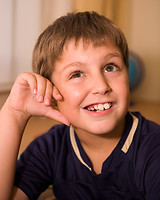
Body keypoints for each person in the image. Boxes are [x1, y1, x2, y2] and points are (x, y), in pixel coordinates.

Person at [0, 11, 160, 200]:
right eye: (77, 74)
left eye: (110, 67)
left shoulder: (153, 148)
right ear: (51, 92)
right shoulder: (50, 147)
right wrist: (14, 114)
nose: (101, 86)